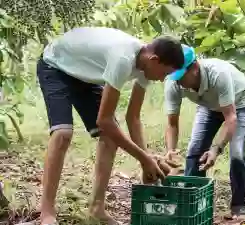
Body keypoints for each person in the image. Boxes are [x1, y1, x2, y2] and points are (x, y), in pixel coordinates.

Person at [36, 26, 185, 225]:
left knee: (109, 138)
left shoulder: (145, 66)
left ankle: (97, 208)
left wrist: (146, 160)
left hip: (84, 75)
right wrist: (144, 158)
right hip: (56, 65)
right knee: (63, 133)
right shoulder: (123, 59)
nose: (162, 79)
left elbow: (133, 117)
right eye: (165, 73)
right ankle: (46, 212)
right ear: (154, 60)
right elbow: (103, 121)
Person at [164, 46, 245, 216]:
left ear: (195, 68)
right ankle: (191, 202)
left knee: (237, 154)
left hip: (239, 104)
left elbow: (231, 118)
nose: (178, 82)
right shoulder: (173, 82)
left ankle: (239, 205)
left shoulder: (218, 74)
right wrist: (170, 151)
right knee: (195, 151)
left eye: (181, 76)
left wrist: (216, 149)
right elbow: (172, 123)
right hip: (209, 106)